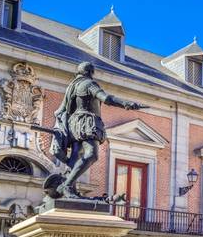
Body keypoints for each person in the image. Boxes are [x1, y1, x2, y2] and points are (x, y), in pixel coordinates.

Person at [49, 62, 145, 198]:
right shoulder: (89, 84)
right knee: (92, 154)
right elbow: (106, 98)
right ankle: (67, 186)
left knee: (75, 158)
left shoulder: (72, 87)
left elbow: (61, 110)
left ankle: (70, 189)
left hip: (74, 125)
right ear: (91, 72)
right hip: (87, 123)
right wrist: (126, 103)